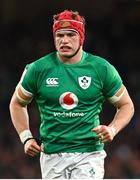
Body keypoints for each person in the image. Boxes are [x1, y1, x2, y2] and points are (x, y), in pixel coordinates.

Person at [9, 9, 134, 179]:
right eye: (59, 35)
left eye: (71, 34)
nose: (64, 40)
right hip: (51, 155)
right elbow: (17, 103)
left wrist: (112, 129)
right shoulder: (37, 69)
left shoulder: (101, 69)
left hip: (88, 154)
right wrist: (26, 138)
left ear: (81, 37)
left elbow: (126, 105)